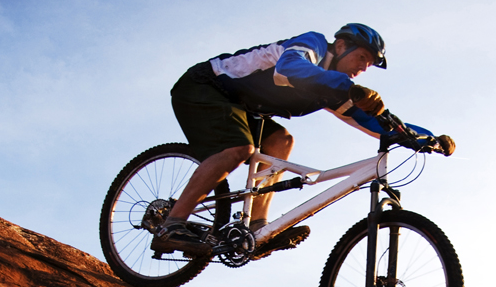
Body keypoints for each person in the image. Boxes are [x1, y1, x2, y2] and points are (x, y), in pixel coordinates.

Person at [151, 23, 452, 258]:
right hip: (206, 86)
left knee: (281, 141)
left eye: (369, 65)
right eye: (362, 57)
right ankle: (172, 224)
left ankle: (258, 229)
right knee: (238, 148)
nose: (363, 68)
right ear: (343, 45)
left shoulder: (335, 87)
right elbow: (290, 67)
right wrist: (348, 89)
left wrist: (424, 138)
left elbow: (374, 122)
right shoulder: (314, 45)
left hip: (241, 107)